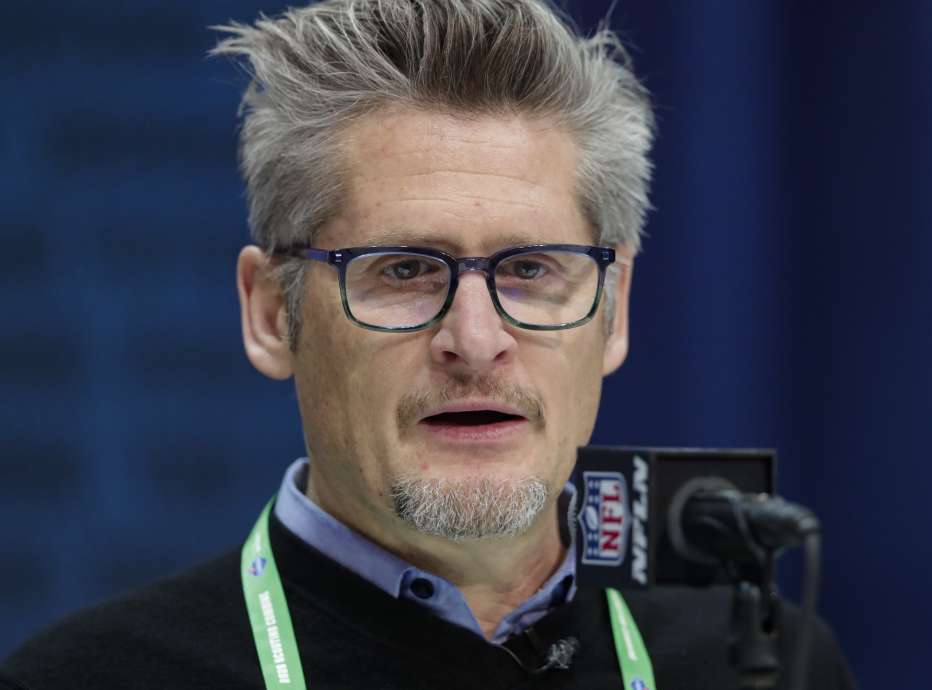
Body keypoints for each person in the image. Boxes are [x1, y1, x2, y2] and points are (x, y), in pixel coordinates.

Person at [0, 1, 854, 688]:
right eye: (403, 269)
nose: (475, 341)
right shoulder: (91, 676)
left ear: (614, 308)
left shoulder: (762, 664)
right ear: (270, 314)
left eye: (529, 269)